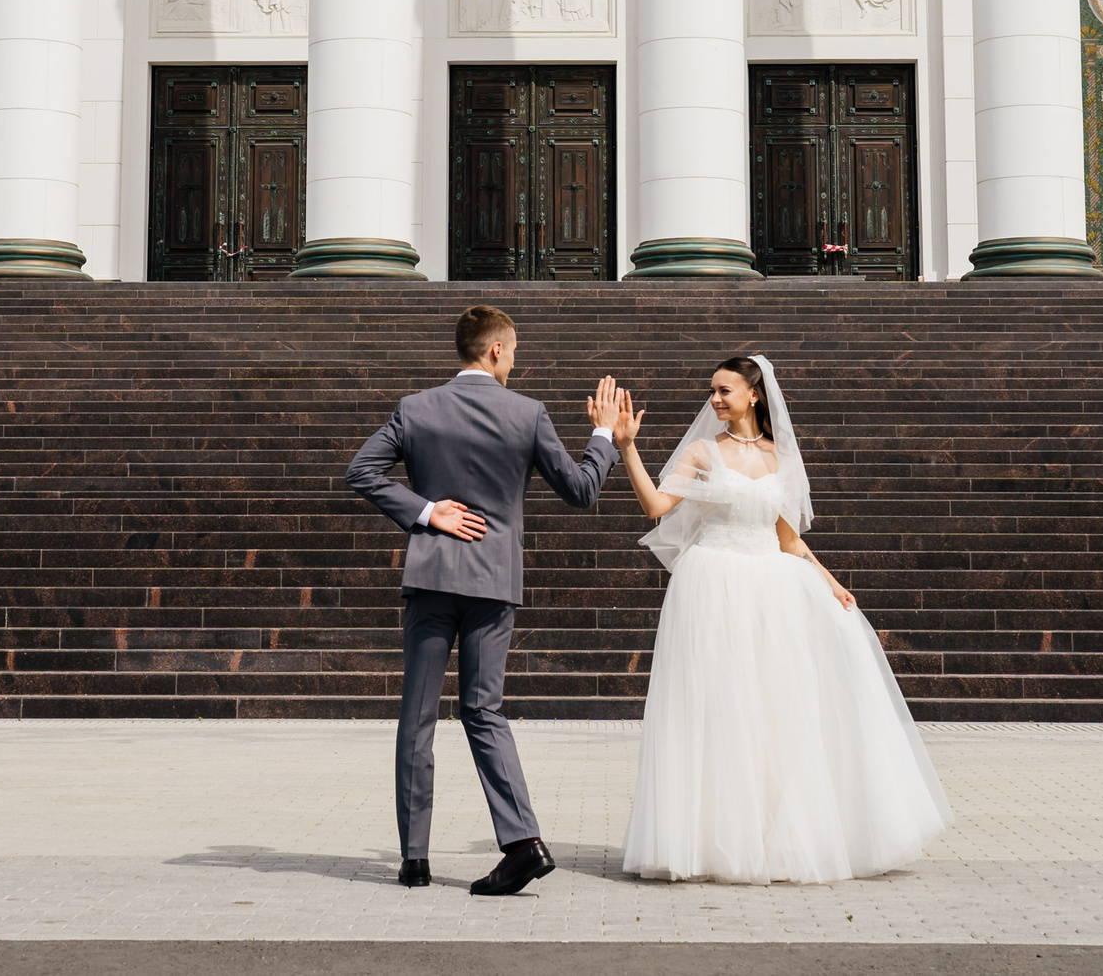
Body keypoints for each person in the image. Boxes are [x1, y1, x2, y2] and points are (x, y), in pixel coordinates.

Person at [613, 355, 952, 883]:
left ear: (754, 394)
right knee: (717, 709)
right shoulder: (703, 452)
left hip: (770, 589)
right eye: (712, 390)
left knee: (773, 710)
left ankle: (773, 839)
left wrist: (829, 580)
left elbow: (788, 539)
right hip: (712, 585)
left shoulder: (781, 458)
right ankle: (708, 842)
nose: (714, 399)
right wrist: (627, 447)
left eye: (724, 390)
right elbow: (656, 506)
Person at [346, 304, 635, 895]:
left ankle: (415, 860)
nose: (515, 362)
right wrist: (604, 434)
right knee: (484, 711)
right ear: (497, 349)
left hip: (432, 578)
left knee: (417, 718)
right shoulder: (527, 413)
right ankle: (523, 842)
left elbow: (362, 472)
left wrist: (428, 511)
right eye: (515, 352)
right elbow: (581, 490)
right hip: (494, 581)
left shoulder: (416, 408)